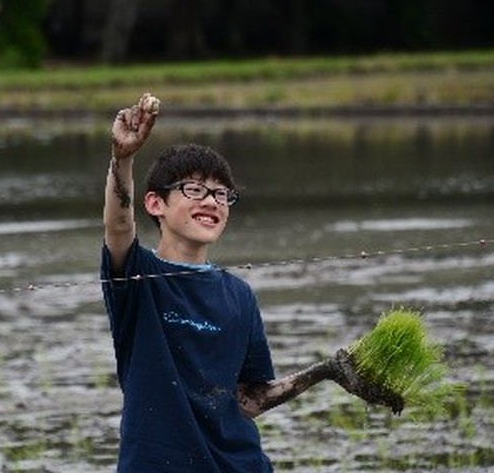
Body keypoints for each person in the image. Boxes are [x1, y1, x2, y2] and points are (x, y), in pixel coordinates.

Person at [100, 94, 345, 472]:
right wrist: (122, 158)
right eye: (195, 190)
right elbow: (118, 225)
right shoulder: (137, 278)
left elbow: (248, 400)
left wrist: (326, 371)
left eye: (220, 194)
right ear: (155, 204)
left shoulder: (239, 296)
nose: (212, 201)